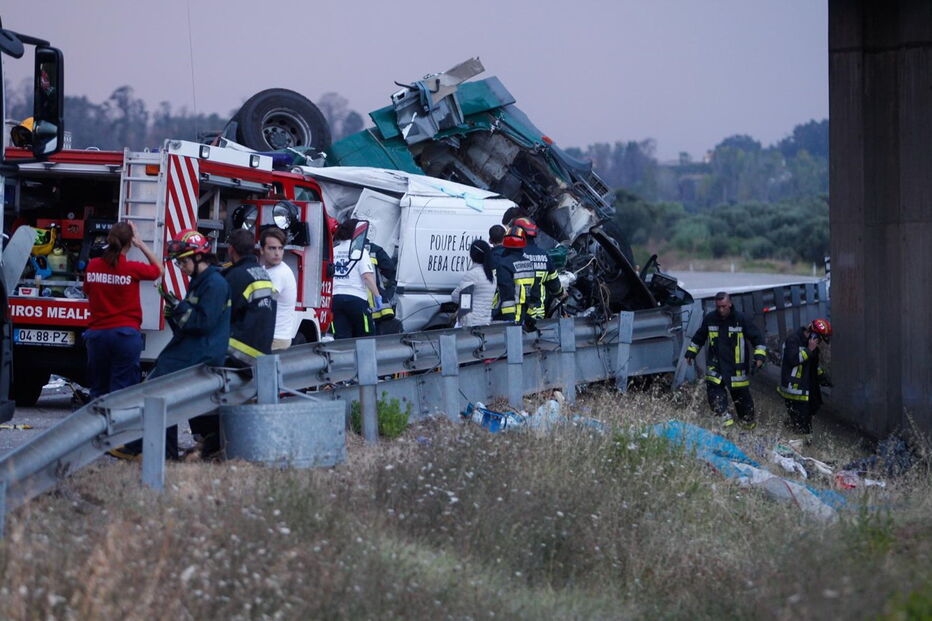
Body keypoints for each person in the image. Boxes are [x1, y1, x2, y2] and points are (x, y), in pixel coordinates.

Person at [110, 229, 230, 461]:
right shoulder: (200, 281)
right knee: (158, 395)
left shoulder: (214, 284)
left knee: (158, 393)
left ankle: (146, 449)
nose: (181, 267)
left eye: (183, 261)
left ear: (198, 257)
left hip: (201, 356)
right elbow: (192, 324)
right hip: (191, 351)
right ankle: (158, 452)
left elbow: (203, 323)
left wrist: (180, 309)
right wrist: (176, 314)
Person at [83, 221, 162, 400]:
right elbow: (159, 270)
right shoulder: (132, 268)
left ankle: (99, 427)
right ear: (129, 242)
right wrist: (141, 243)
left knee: (98, 392)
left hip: (97, 336)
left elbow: (87, 291)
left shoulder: (93, 265)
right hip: (125, 336)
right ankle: (120, 427)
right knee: (122, 393)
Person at [684, 292, 767, 429]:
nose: (721, 310)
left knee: (744, 405)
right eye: (718, 307)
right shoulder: (710, 318)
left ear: (730, 303)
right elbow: (700, 336)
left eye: (723, 306)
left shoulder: (741, 319)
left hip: (736, 370)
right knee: (716, 399)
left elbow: (758, 339)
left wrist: (759, 357)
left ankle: (747, 428)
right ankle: (726, 428)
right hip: (716, 367)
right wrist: (691, 353)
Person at [224, 229, 276, 364]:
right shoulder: (263, 274)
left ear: (231, 250)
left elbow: (221, 315)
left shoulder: (236, 276)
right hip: (261, 354)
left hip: (239, 354)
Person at [778, 318, 832, 435]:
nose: (819, 343)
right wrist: (809, 350)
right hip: (793, 391)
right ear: (813, 335)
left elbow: (811, 367)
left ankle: (805, 444)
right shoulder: (793, 340)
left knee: (806, 424)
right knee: (801, 426)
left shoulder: (812, 347)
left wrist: (822, 376)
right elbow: (793, 360)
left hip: (804, 391)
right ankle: (798, 442)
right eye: (819, 339)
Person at [331, 219, 381, 339]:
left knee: (341, 339)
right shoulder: (359, 252)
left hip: (336, 300)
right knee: (365, 338)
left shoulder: (333, 251)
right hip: (356, 300)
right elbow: (367, 276)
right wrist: (377, 296)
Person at [512, 216, 562, 322]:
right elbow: (555, 285)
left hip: (517, 314)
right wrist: (561, 293)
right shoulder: (544, 256)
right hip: (538, 314)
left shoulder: (513, 255)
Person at [259, 227, 297, 351]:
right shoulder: (269, 270)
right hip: (274, 336)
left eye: (280, 248)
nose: (277, 253)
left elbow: (262, 304)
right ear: (262, 250)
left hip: (275, 338)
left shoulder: (279, 273)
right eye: (272, 248)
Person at [495, 225, 537, 329]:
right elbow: (535, 293)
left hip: (511, 319)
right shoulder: (529, 264)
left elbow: (507, 294)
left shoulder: (503, 264)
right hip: (525, 316)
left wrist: (509, 320)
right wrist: (529, 315)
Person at [451, 239, 497, 327]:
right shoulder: (492, 276)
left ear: (472, 255)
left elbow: (456, 297)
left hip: (469, 324)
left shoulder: (473, 274)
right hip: (485, 322)